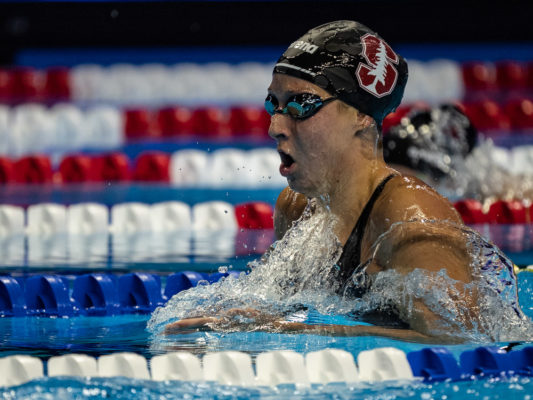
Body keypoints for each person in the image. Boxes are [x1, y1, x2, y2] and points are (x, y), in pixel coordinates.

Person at [164, 20, 519, 342]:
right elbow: (293, 308)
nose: (274, 127)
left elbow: (466, 339)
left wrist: (296, 330)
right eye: (274, 104)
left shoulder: (410, 223)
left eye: (301, 105)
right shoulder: (298, 208)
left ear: (362, 115)